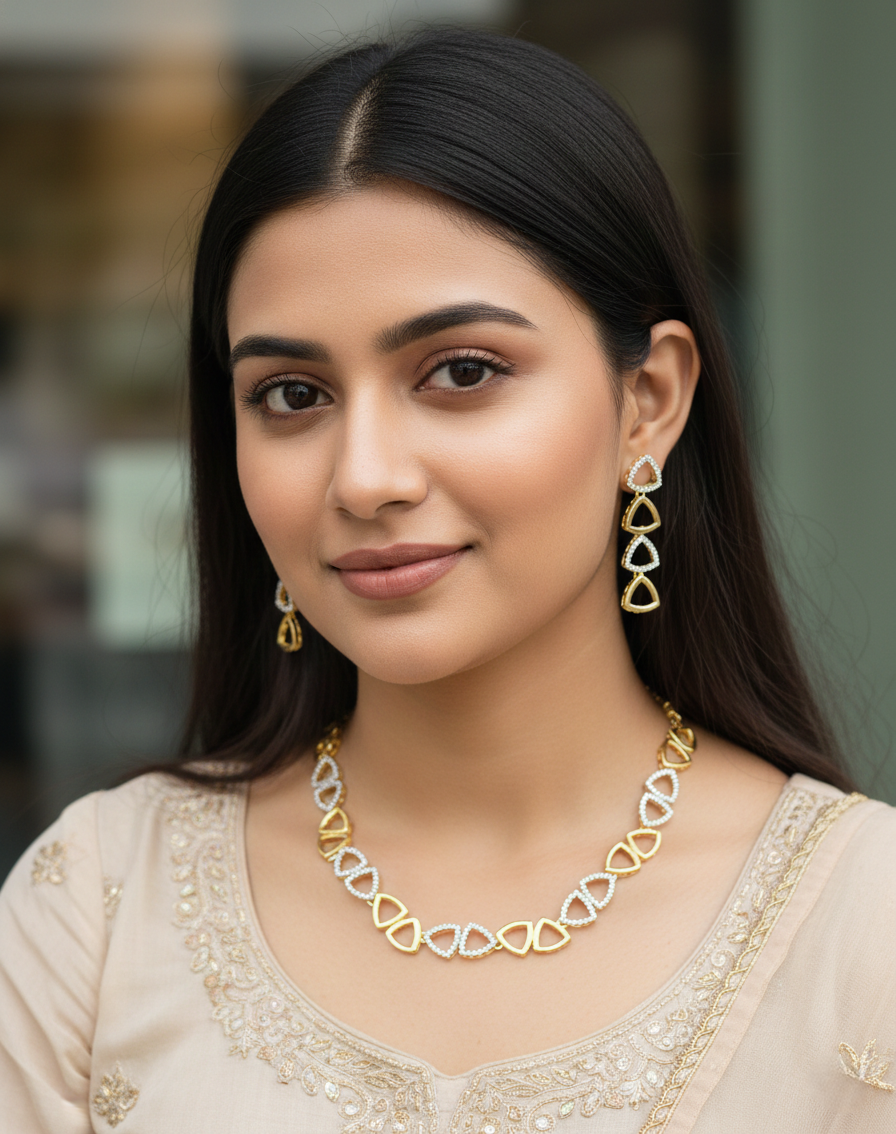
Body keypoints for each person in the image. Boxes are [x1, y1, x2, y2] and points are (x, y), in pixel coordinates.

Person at [1, 27, 893, 1134]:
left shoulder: (863, 932)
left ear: (648, 401)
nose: (364, 477)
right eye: (289, 395)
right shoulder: (95, 908)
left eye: (460, 373)